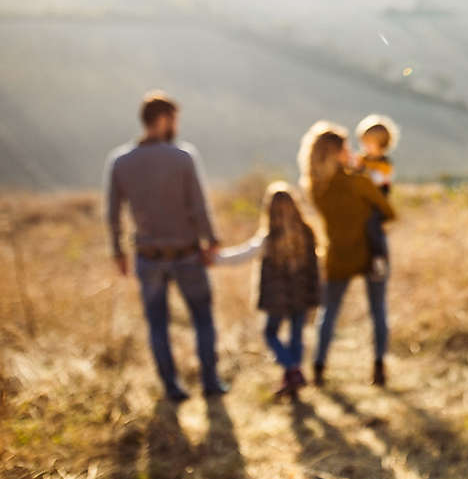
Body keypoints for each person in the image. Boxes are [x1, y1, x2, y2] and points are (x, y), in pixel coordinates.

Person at [105, 90, 228, 401]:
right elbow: (198, 206)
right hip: (186, 253)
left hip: (147, 256)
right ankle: (210, 382)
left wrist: (118, 252)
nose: (176, 126)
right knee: (202, 317)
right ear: (163, 120)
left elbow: (113, 213)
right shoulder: (182, 157)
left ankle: (172, 387)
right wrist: (211, 240)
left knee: (157, 324)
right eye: (174, 119)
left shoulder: (121, 161)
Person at [298, 121, 396, 388]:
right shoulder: (359, 182)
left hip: (337, 254)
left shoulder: (316, 188)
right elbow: (389, 211)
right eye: (346, 147)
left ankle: (318, 367)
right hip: (371, 251)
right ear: (337, 152)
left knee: (328, 312)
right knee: (378, 310)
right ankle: (378, 367)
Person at [217, 182, 320, 399]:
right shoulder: (306, 233)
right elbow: (315, 266)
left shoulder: (269, 238)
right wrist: (315, 292)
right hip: (301, 295)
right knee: (296, 336)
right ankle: (292, 376)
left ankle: (292, 371)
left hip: (277, 298)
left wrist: (215, 258)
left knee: (270, 333)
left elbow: (242, 255)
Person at [353, 114, 400, 281]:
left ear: (381, 145)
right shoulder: (362, 160)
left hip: (377, 205)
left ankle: (378, 258)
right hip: (362, 204)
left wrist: (362, 172)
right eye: (363, 142)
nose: (365, 147)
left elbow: (378, 181)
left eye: (369, 143)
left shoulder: (384, 164)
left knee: (373, 227)